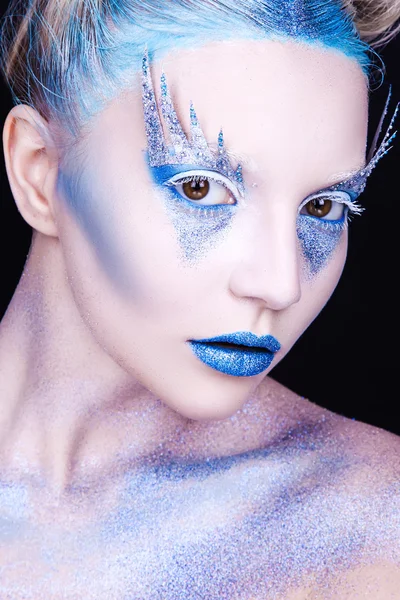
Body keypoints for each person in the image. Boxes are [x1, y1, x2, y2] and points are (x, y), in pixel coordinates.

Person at [0, 0, 399, 597]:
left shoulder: (369, 528)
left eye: (323, 208)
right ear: (39, 173)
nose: (280, 282)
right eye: (201, 188)